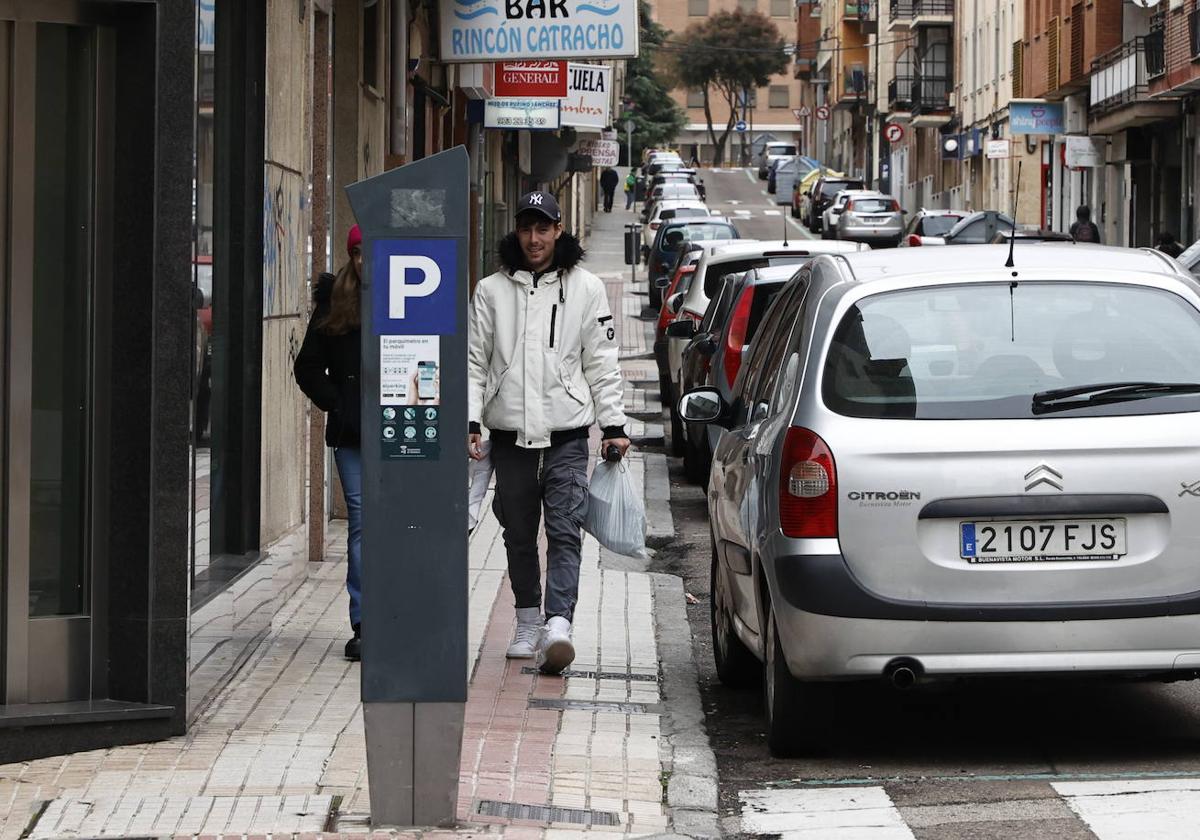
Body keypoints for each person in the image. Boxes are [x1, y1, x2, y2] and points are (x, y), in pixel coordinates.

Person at [467, 190, 630, 675]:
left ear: (559, 231)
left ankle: (558, 624)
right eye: (527, 228)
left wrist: (615, 423)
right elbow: (474, 363)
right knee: (518, 534)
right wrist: (471, 420)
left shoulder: (586, 288)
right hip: (510, 438)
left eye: (544, 228)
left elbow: (602, 362)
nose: (534, 238)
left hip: (567, 435)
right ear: (516, 232)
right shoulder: (490, 291)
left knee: (564, 531)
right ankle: (525, 620)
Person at [294, 225, 364, 662]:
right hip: (352, 435)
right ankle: (365, 621)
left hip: (402, 436)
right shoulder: (335, 301)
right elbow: (306, 367)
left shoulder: (405, 297)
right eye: (358, 253)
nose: (364, 261)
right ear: (351, 255)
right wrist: (339, 404)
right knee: (363, 523)